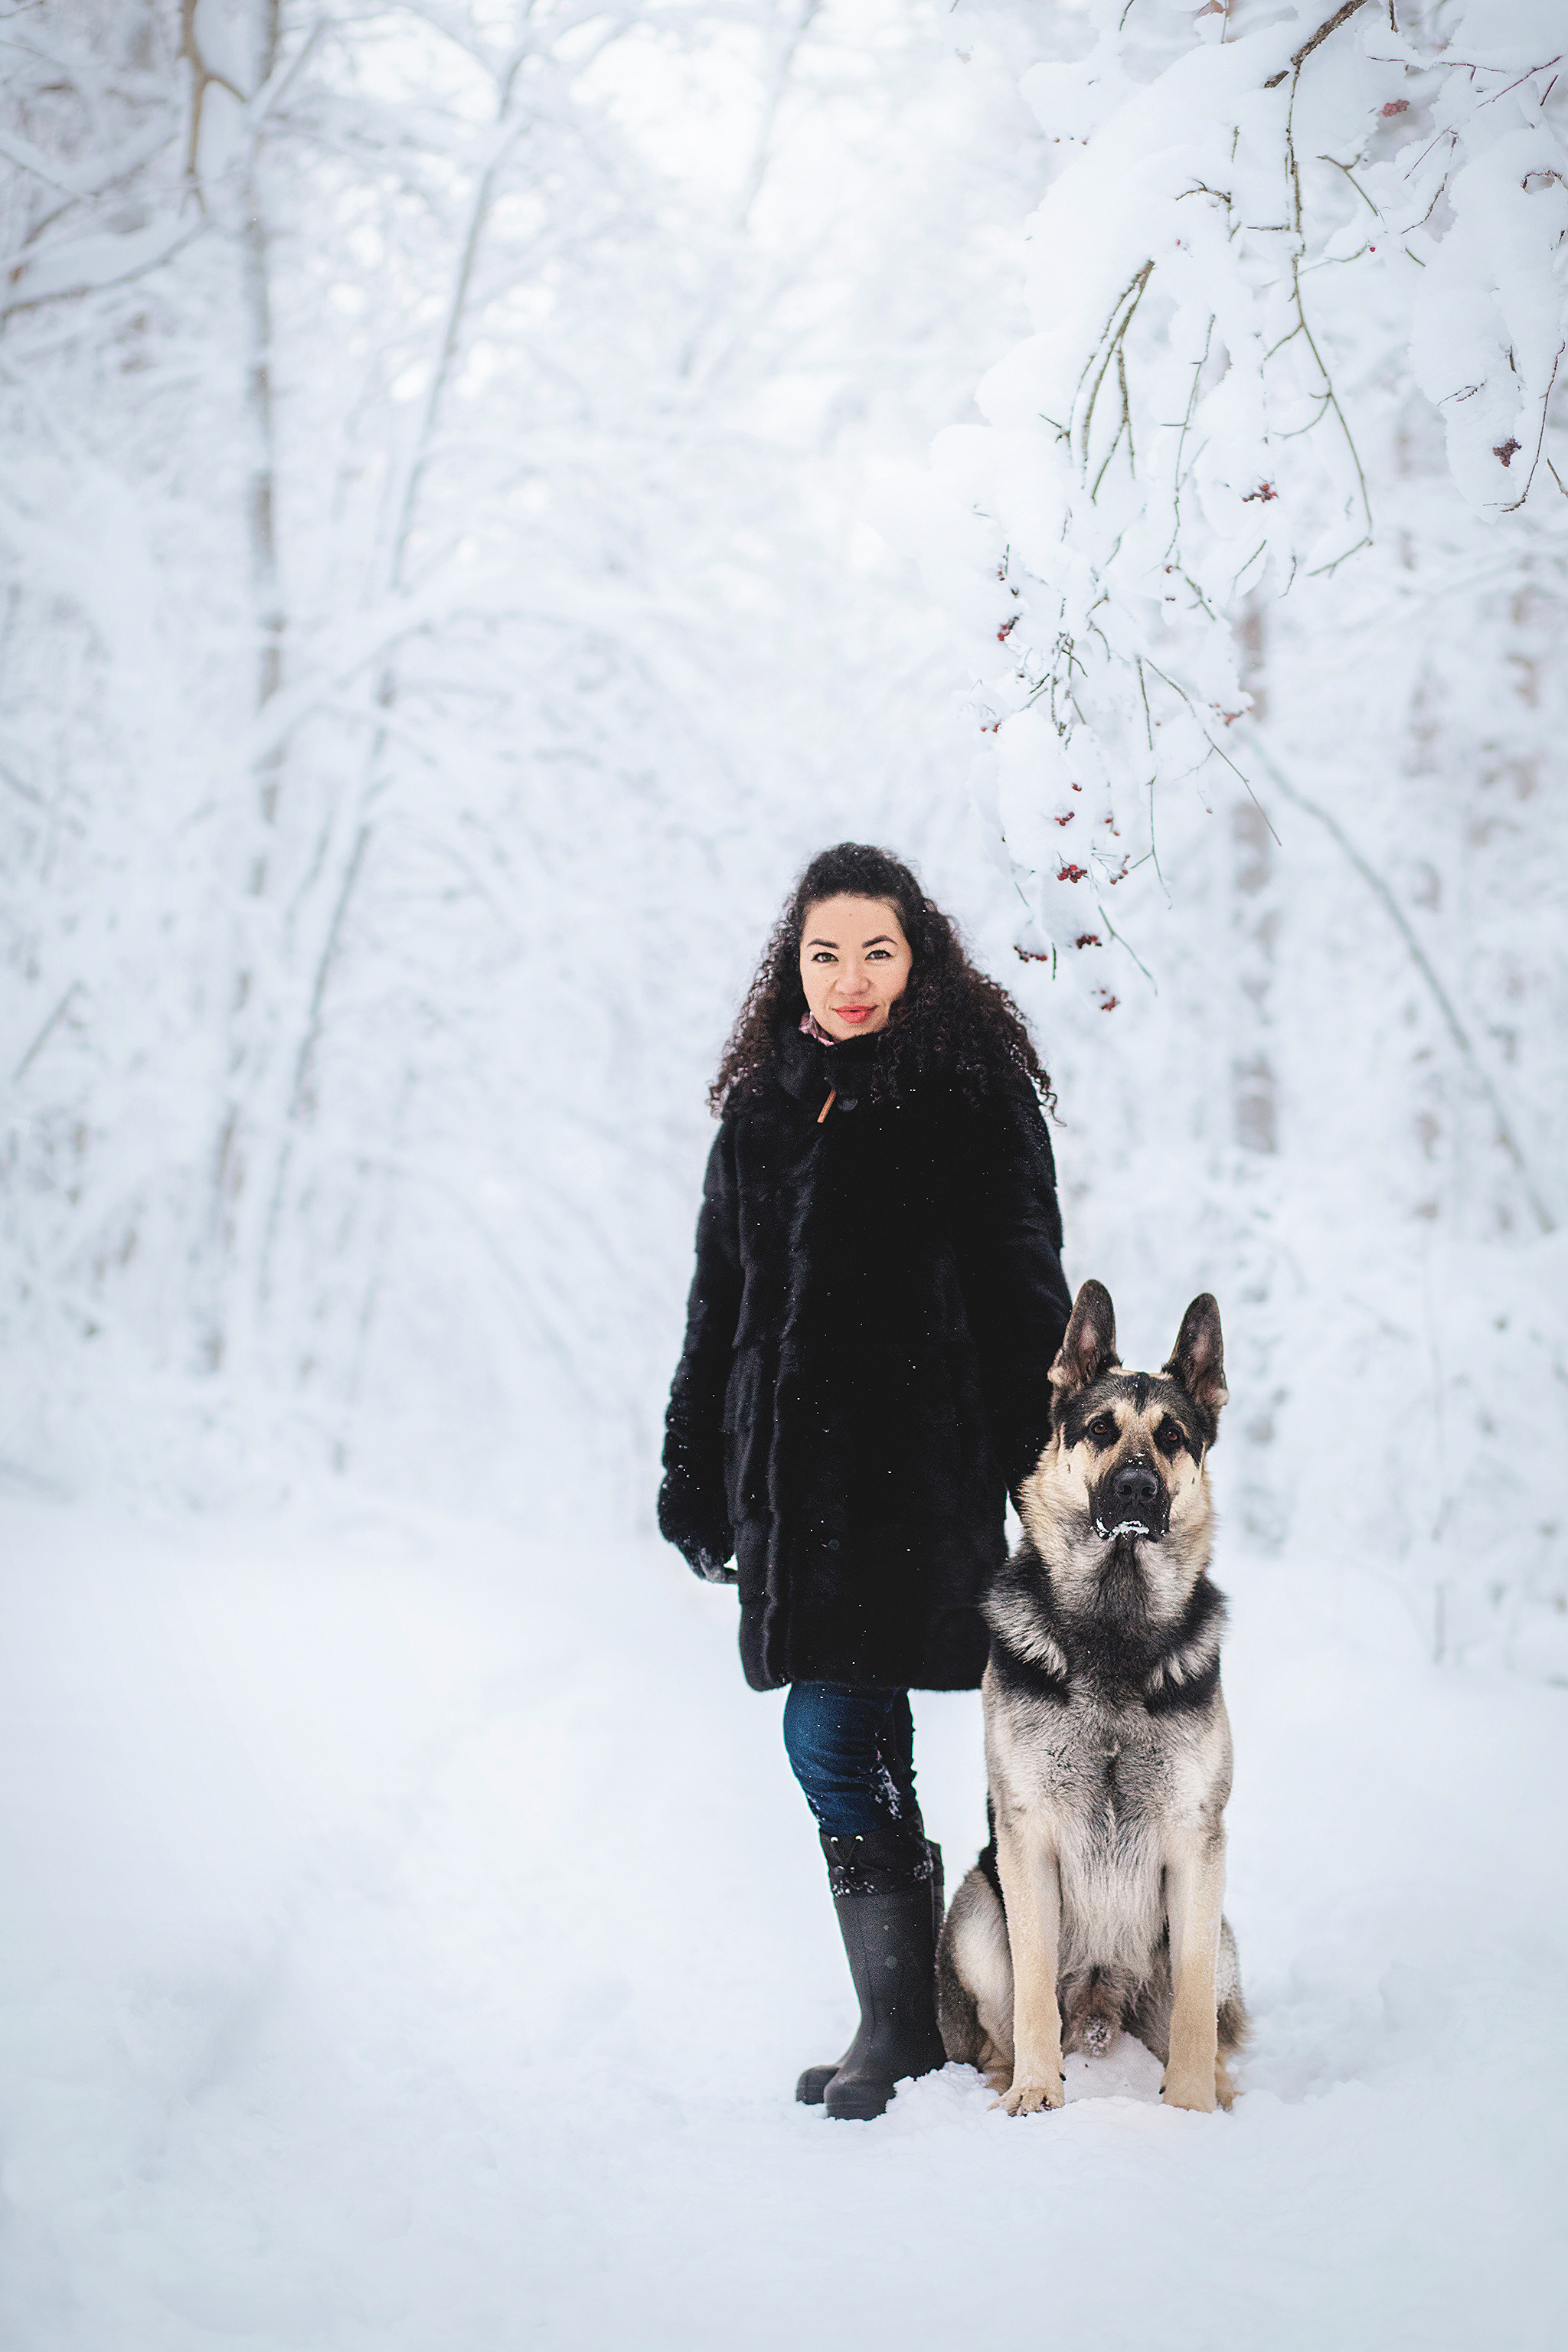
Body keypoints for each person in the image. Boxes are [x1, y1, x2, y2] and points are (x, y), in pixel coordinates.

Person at [658, 842, 1072, 2118]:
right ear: (795, 962)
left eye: (875, 952)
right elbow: (718, 1306)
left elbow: (1025, 1300)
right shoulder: (763, 1110)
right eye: (824, 953)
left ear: (918, 960)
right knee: (835, 1734)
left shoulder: (973, 1097)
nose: (848, 979)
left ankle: (1023, 2000)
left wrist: (1040, 1482)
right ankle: (899, 2025)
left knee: (1024, 1748)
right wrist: (695, 1469)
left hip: (928, 1476)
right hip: (800, 1492)